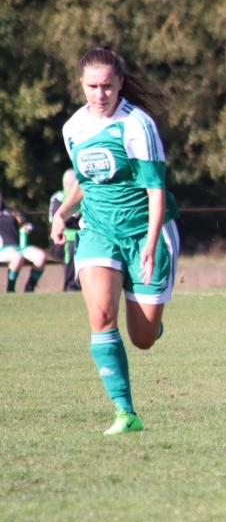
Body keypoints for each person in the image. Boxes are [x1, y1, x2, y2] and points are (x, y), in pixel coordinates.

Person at [50, 46, 181, 436]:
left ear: (120, 83)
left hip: (146, 230)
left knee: (142, 340)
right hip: (98, 231)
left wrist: (150, 241)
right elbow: (84, 183)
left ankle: (151, 324)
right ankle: (125, 413)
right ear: (81, 85)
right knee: (101, 315)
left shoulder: (137, 125)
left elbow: (156, 191)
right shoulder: (73, 128)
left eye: (108, 85)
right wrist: (61, 213)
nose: (100, 94)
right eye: (92, 86)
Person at [0, 188, 48, 293]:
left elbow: (27, 223)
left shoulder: (11, 211)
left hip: (18, 247)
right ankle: (10, 290)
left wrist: (26, 225)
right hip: (2, 249)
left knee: (41, 256)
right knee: (17, 257)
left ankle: (29, 288)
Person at [48, 169, 83, 291]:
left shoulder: (84, 197)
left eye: (74, 184)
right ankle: (70, 285)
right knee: (72, 246)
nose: (70, 187)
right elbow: (59, 221)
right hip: (62, 238)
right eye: (68, 184)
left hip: (83, 235)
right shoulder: (58, 198)